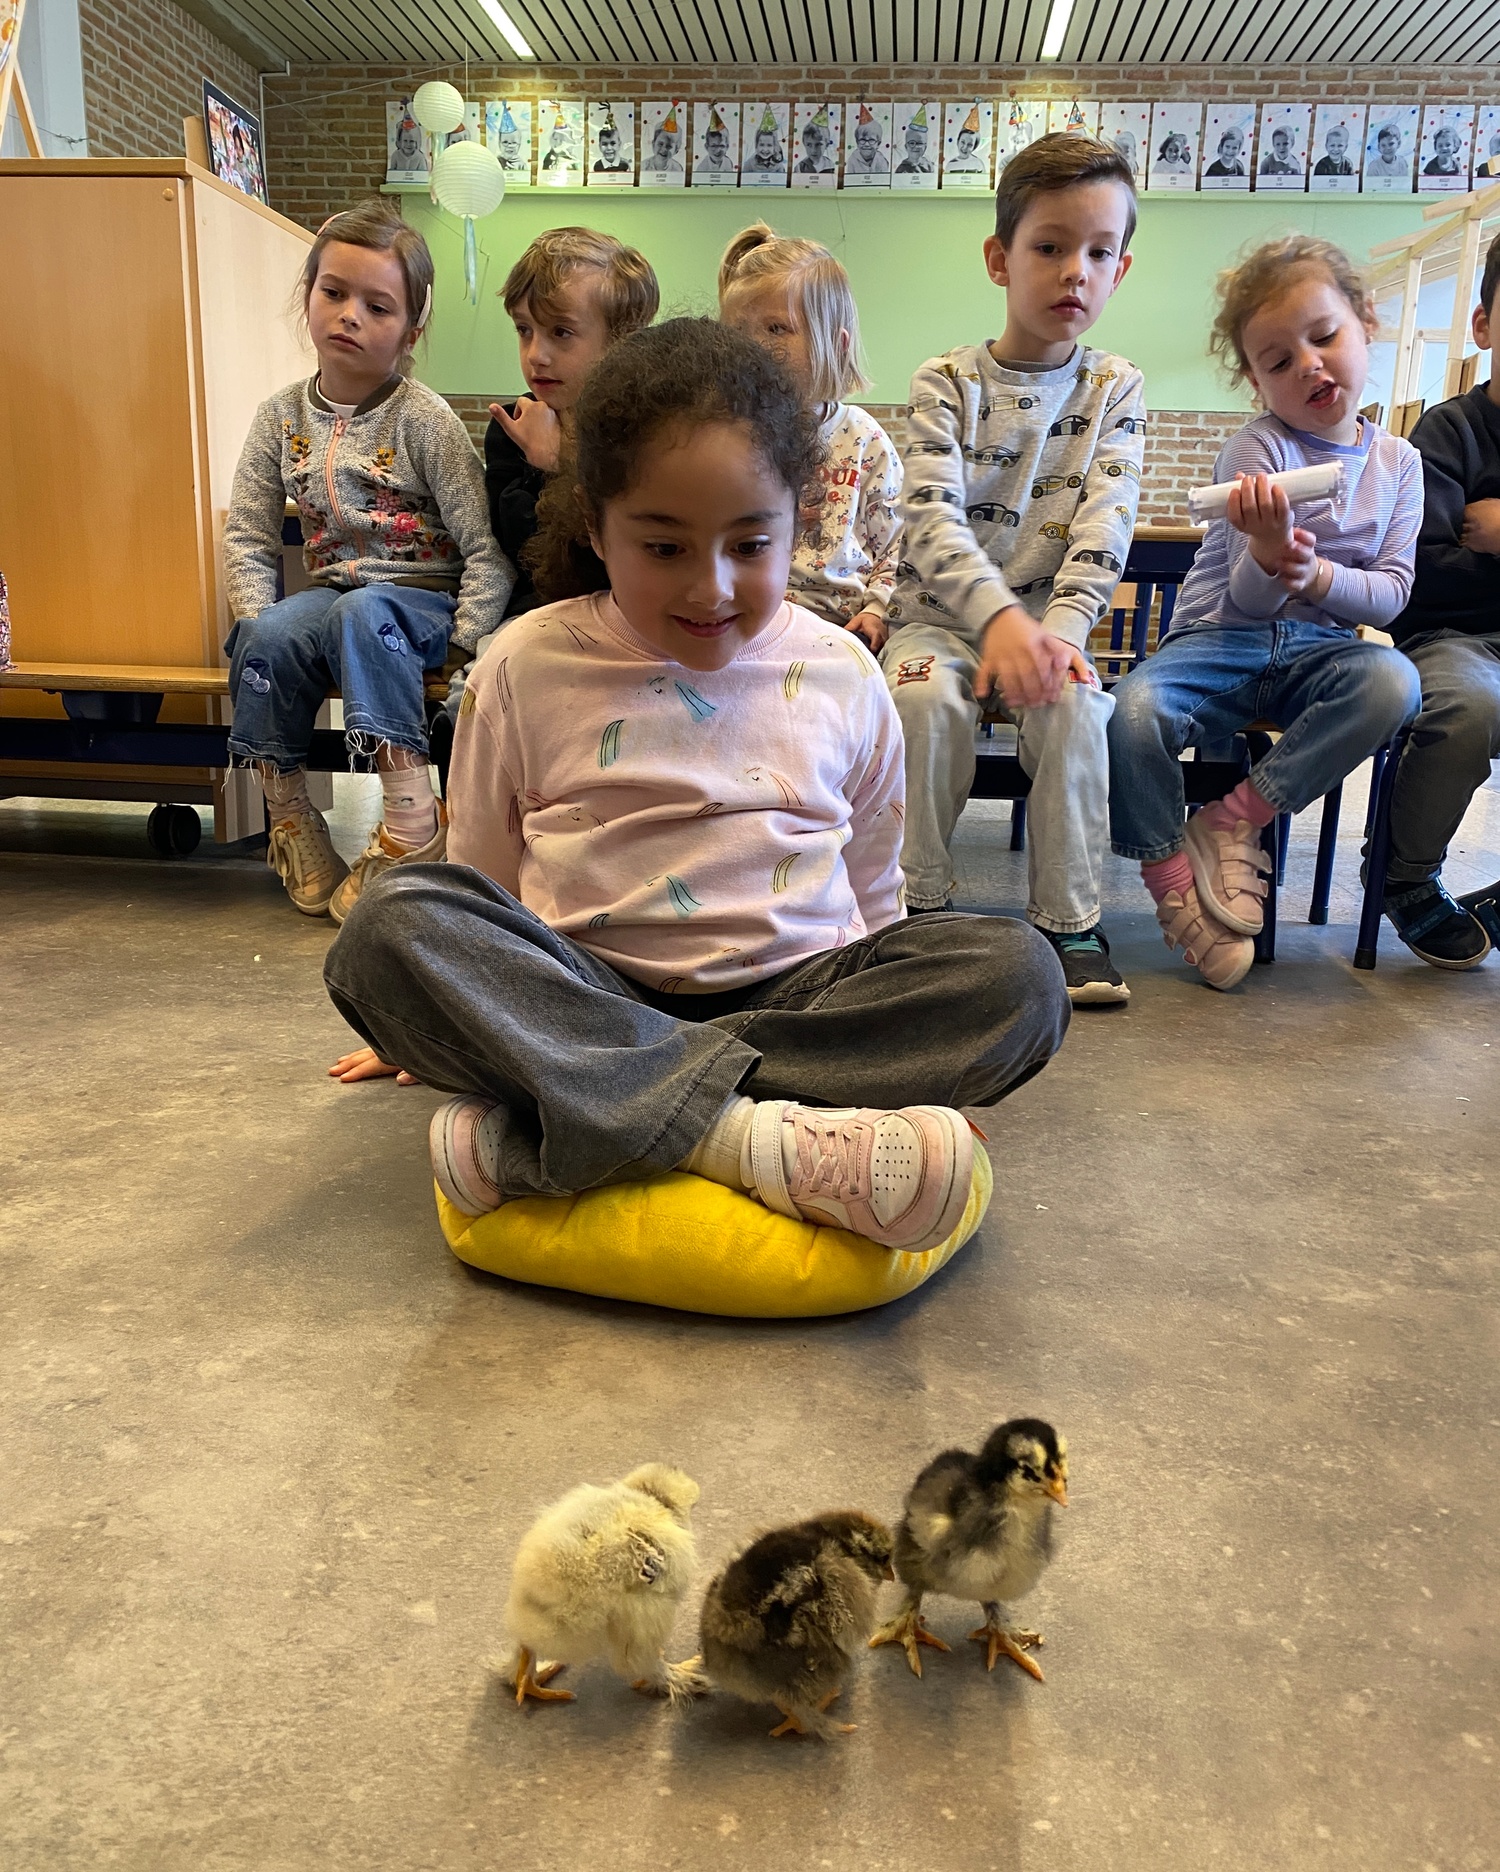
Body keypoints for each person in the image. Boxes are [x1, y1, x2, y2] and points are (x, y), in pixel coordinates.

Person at [325, 319, 1069, 1252]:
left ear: (797, 519)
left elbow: (876, 886)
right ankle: (758, 1137)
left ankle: (581, 1118)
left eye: (750, 545)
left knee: (1022, 976)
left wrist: (900, 1041)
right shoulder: (521, 664)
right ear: (596, 526)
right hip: (593, 993)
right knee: (387, 930)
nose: (711, 588)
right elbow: (481, 881)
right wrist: (449, 1004)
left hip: (800, 998)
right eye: (665, 548)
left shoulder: (843, 670)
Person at [1108, 236, 1423, 990]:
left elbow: (1392, 594)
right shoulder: (1257, 451)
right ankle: (1172, 882)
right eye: (1279, 361)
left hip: (1321, 655)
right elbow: (1247, 602)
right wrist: (1271, 552)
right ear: (1256, 382)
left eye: (1325, 337)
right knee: (1131, 712)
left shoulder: (1399, 463)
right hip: (1219, 641)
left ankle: (1234, 819)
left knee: (1395, 682)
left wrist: (1315, 575)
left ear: (1366, 324)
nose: (1309, 365)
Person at [880, 133, 1145, 1007]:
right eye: (1050, 246)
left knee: (1080, 709)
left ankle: (1070, 923)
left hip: (1049, 629)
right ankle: (914, 911)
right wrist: (997, 622)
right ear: (1000, 259)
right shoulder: (946, 380)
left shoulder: (1115, 387)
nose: (1076, 271)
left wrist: (1059, 633)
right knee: (921, 702)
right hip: (938, 624)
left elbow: (1105, 523)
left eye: (1099, 253)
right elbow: (929, 516)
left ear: (1120, 270)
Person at [223, 201, 513, 922]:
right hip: (334, 600)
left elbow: (485, 548)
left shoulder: (426, 420)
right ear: (308, 297)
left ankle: (412, 822)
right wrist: (262, 620)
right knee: (265, 635)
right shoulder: (279, 417)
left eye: (378, 307)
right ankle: (290, 817)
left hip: (422, 601)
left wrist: (464, 641)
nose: (350, 315)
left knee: (362, 613)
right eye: (334, 293)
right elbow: (249, 537)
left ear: (411, 330)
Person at [1382, 234, 1500, 967]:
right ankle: (1408, 878)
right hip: (1451, 638)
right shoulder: (1447, 432)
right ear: (1484, 326)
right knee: (1469, 709)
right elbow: (1422, 576)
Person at [718, 223, 901, 653]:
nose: (754, 348)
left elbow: (898, 543)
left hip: (841, 627)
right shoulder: (722, 436)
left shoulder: (863, 439)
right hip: (746, 622)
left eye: (776, 329)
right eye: (738, 332)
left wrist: (878, 608)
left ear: (836, 346)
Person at [482, 229, 659, 626]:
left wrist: (559, 461)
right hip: (538, 616)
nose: (536, 355)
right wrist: (539, 468)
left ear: (621, 340)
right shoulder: (511, 427)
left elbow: (623, 558)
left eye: (561, 332)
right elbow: (520, 554)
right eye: (524, 330)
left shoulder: (646, 431)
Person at [896, 107, 935, 176]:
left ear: (925, 147)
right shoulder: (902, 168)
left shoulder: (928, 165)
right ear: (906, 147)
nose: (916, 146)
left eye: (920, 143)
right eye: (912, 143)